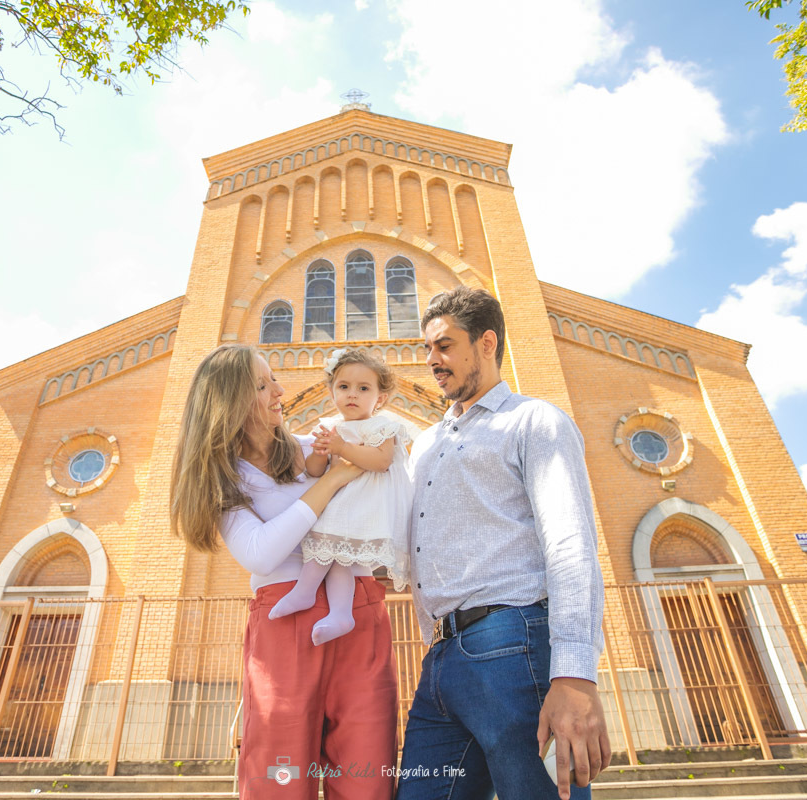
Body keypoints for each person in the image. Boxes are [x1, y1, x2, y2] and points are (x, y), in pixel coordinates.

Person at [396, 287, 611, 800]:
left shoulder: (535, 421)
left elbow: (570, 544)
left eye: (444, 346)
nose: (431, 361)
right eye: (428, 349)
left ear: (486, 342)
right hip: (440, 662)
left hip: (514, 644)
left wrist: (575, 675)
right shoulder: (425, 444)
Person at [169, 344, 398, 800]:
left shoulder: (318, 446)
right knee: (279, 774)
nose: (280, 390)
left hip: (357, 606)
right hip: (283, 619)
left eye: (273, 378)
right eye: (262, 384)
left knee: (367, 772)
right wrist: (331, 482)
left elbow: (384, 489)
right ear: (231, 402)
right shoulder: (225, 477)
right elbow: (260, 554)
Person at [268, 347, 412, 645]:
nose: (352, 394)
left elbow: (382, 461)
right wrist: (321, 453)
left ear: (380, 398)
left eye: (363, 388)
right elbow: (314, 471)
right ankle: (341, 614)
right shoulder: (329, 427)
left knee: (332, 550)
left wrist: (342, 448)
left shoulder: (383, 426)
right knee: (335, 556)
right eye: (344, 387)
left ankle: (306, 592)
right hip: (339, 500)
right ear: (332, 392)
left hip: (364, 505)